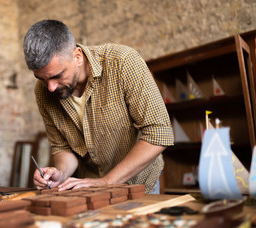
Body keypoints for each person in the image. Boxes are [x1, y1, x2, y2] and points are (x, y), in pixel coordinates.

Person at [23, 19, 174, 193]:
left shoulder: (123, 63)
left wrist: (107, 181)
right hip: (88, 189)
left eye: (57, 76)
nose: (50, 87)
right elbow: (63, 148)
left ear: (77, 57)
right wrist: (60, 173)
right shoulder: (43, 92)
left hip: (138, 184)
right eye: (42, 79)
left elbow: (158, 133)